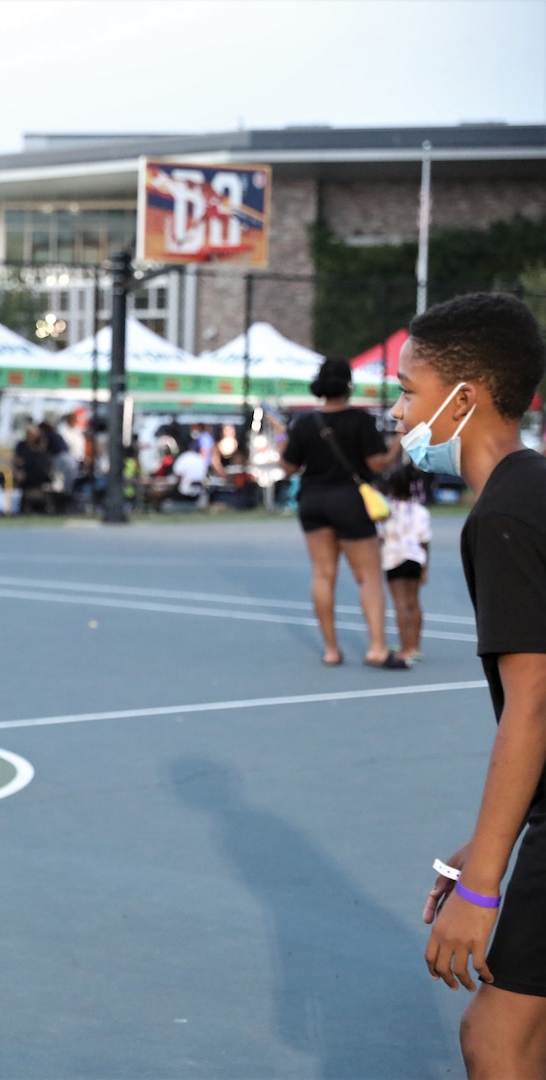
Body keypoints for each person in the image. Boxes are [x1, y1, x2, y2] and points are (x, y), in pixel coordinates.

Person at [406, 293, 546, 1076]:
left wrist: (485, 882)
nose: (396, 412)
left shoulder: (502, 515)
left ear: (465, 397)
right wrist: (486, 842)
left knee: (494, 1038)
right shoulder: (534, 489)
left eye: (406, 388)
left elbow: (535, 698)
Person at [280, 359, 407, 669]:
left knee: (323, 574)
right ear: (349, 385)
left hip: (312, 500)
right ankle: (376, 647)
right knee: (369, 577)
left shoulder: (305, 423)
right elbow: (378, 464)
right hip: (350, 500)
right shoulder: (361, 421)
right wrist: (398, 444)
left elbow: (289, 467)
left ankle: (331, 649)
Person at [379, 463, 432, 664]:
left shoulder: (386, 511)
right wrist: (425, 567)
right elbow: (425, 541)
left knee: (400, 603)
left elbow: (380, 538)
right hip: (415, 558)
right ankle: (415, 646)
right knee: (414, 602)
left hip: (393, 559)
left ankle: (404, 647)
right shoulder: (420, 511)